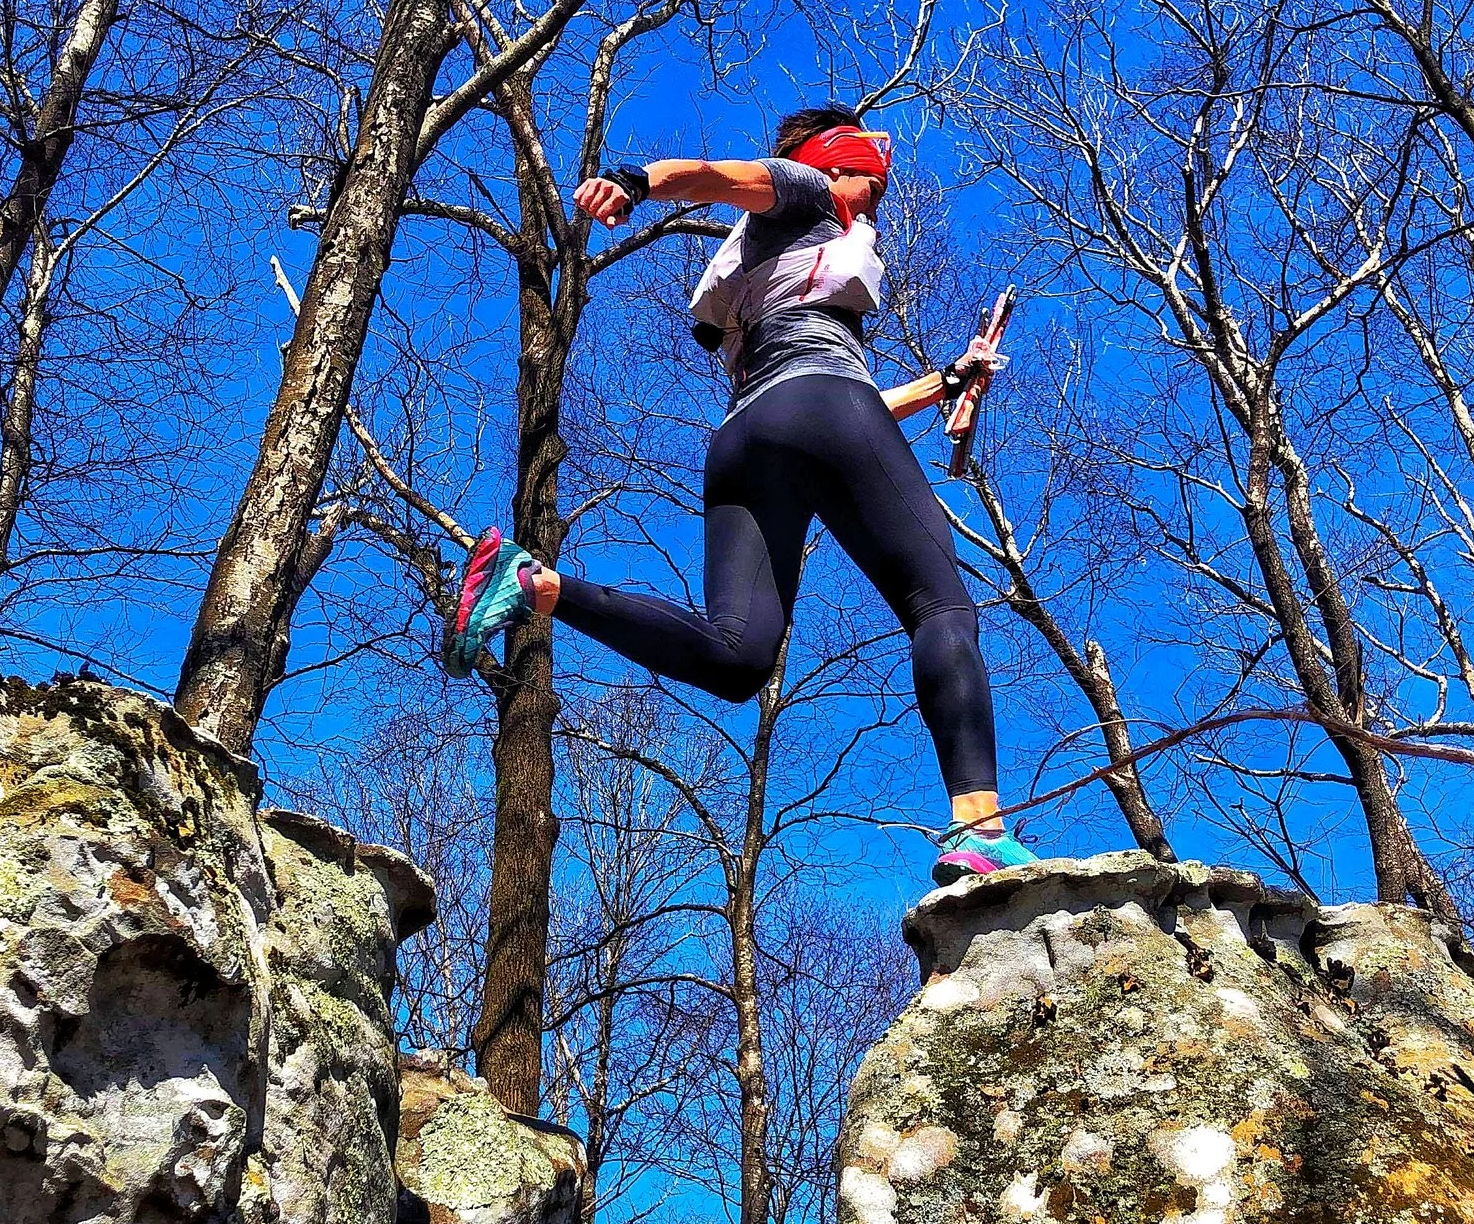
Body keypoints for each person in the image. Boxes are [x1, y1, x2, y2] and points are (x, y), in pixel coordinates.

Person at [441, 105, 1035, 887]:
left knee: (737, 656)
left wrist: (945, 382)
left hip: (752, 434)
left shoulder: (764, 274)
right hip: (822, 409)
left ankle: (534, 583)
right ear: (837, 165)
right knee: (943, 609)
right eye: (874, 185)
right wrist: (634, 180)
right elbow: (731, 178)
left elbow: (846, 409)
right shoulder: (808, 190)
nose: (878, 203)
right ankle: (981, 828)